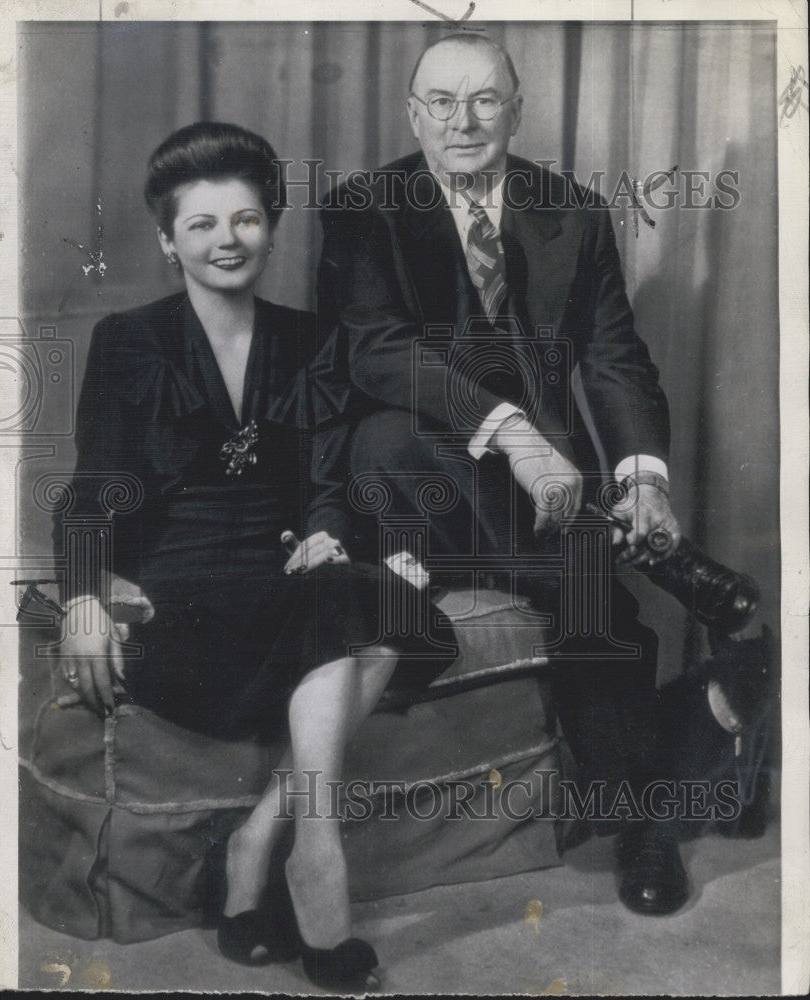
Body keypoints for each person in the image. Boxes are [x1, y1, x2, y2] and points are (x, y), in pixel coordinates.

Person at [53, 121, 443, 990]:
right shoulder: (129, 341)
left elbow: (326, 478)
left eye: (246, 220)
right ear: (167, 241)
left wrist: (327, 527)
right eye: (201, 224)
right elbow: (95, 486)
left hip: (284, 584)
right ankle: (314, 849)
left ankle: (275, 836)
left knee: (379, 600)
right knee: (360, 610)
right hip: (181, 604)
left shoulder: (312, 340)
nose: (227, 241)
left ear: (270, 225)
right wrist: (82, 595)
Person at [315, 33, 690, 915]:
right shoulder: (364, 208)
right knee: (399, 441)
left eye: (486, 100)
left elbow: (612, 357)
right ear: (412, 115)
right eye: (441, 102)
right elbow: (377, 352)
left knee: (583, 573)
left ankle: (638, 817)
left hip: (542, 503)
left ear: (518, 111)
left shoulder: (574, 211)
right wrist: (514, 434)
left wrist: (643, 476)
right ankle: (644, 789)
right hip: (411, 488)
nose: (464, 121)